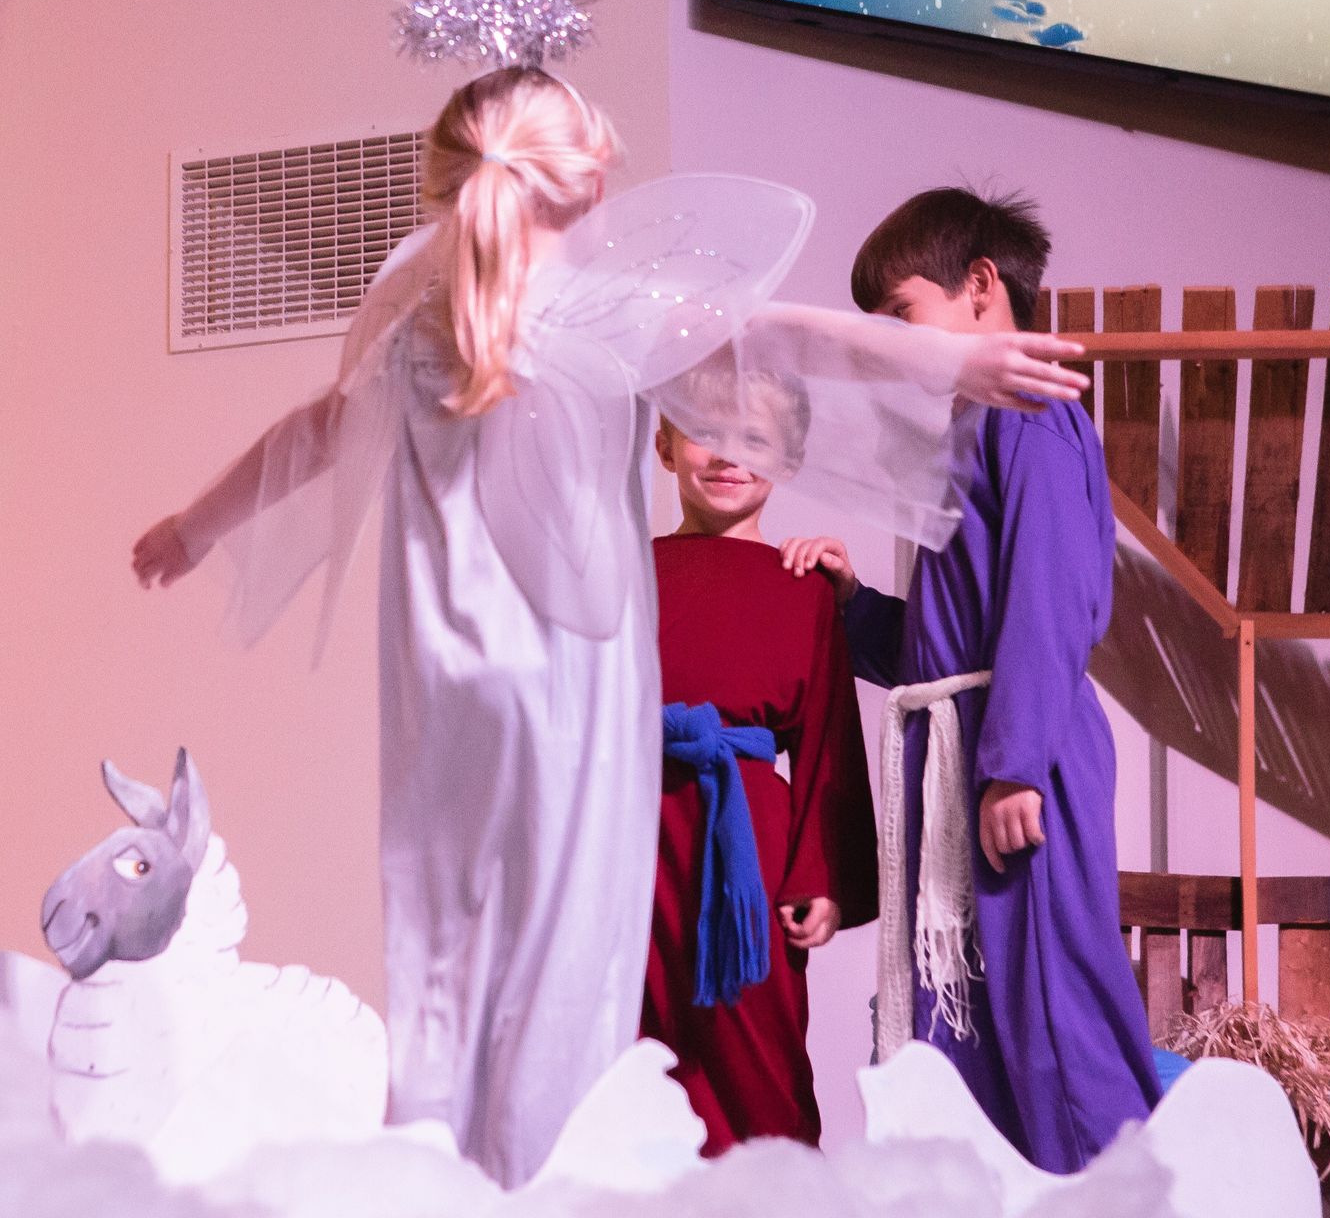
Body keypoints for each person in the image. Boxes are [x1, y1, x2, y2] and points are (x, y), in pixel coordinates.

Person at [129, 72, 1087, 1186]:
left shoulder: (424, 321)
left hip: (452, 687)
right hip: (569, 682)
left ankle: (480, 1164)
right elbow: (783, 334)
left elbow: (315, 434)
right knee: (575, 978)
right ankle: (548, 1167)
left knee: (465, 956)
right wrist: (949, 358)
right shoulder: (603, 308)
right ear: (580, 185)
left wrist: (196, 527)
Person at [781, 187, 1160, 1173]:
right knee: (972, 1031)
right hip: (967, 755)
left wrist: (1015, 765)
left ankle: (1125, 1195)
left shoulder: (1032, 409)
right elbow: (945, 641)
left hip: (1017, 761)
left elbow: (1049, 593)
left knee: (1054, 1017)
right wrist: (854, 606)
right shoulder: (962, 431)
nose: (889, 345)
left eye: (901, 314)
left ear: (981, 286)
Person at [646, 370, 877, 1155]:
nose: (728, 455)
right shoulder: (624, 572)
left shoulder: (803, 585)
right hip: (636, 837)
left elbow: (828, 739)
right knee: (642, 1048)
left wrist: (821, 878)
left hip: (749, 844)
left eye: (755, 438)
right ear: (664, 446)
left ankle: (784, 1196)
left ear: (789, 458)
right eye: (705, 432)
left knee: (759, 1051)